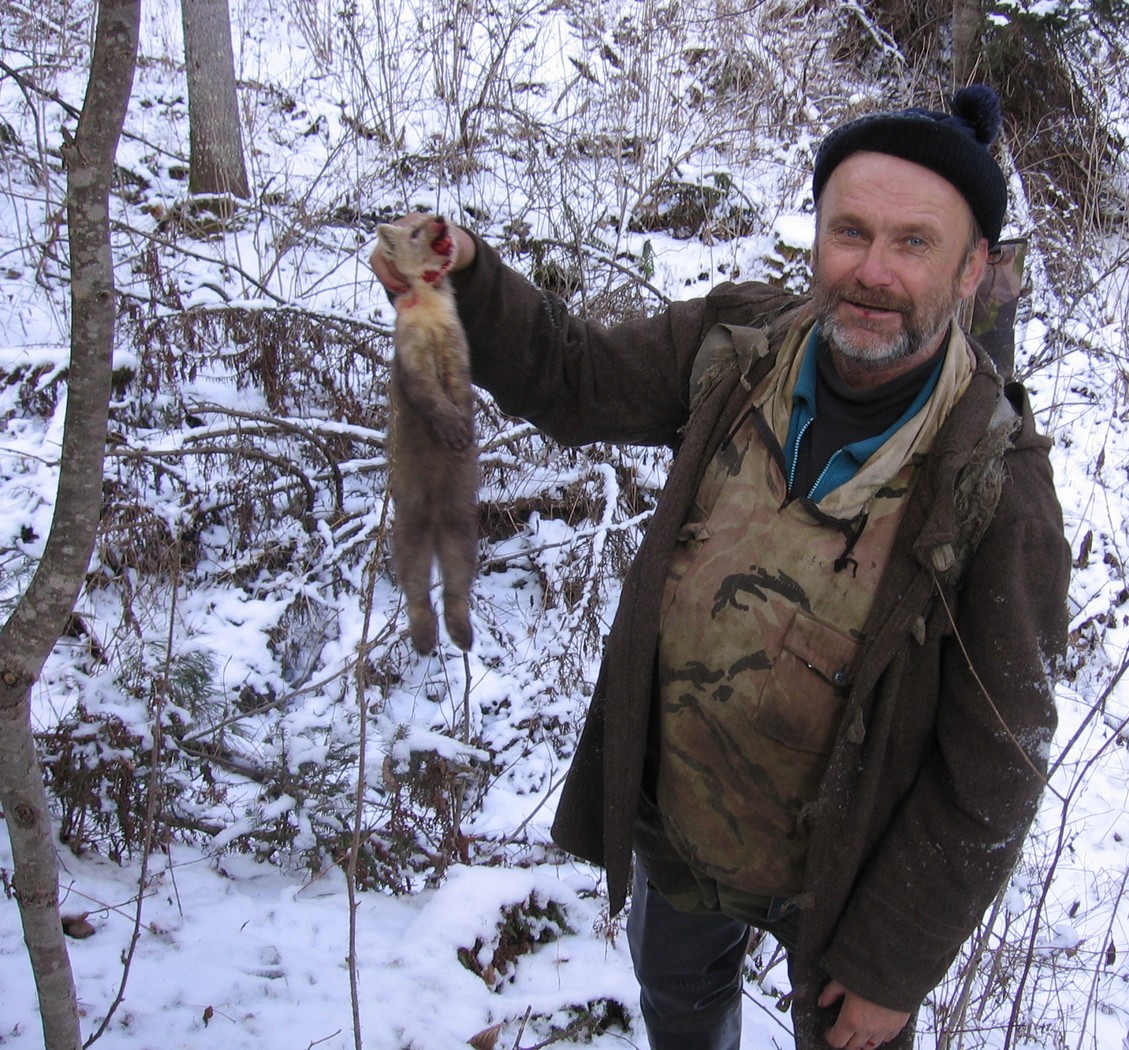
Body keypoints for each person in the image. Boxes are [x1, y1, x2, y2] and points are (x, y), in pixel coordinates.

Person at [372, 84, 1071, 1050]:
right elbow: (578, 379)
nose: (872, 270)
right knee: (681, 1004)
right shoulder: (735, 349)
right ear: (816, 235)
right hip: (682, 830)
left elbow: (999, 761)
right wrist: (469, 281)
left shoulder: (996, 482)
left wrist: (889, 967)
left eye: (914, 242)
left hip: (845, 877)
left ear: (970, 268)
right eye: (849, 231)